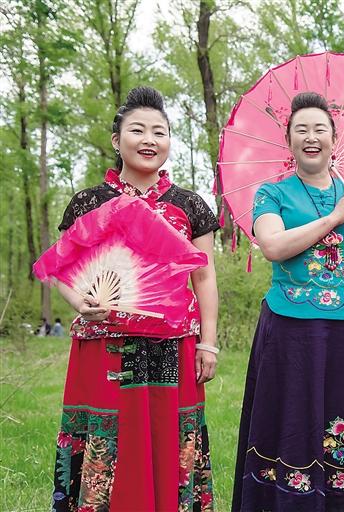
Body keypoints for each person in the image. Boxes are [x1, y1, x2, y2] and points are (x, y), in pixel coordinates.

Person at [50, 86, 219, 511]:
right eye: (138, 130)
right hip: (103, 343)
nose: (149, 140)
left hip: (172, 344)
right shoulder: (89, 202)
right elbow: (60, 269)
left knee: (167, 432)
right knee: (107, 433)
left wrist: (209, 342)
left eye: (159, 132)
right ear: (116, 139)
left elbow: (204, 277)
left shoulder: (189, 206)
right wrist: (78, 301)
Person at [232, 92, 344, 511]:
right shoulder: (272, 194)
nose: (311, 137)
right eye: (301, 129)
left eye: (320, 129)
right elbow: (272, 245)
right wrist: (335, 218)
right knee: (291, 419)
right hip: (289, 328)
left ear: (334, 139)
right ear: (289, 141)